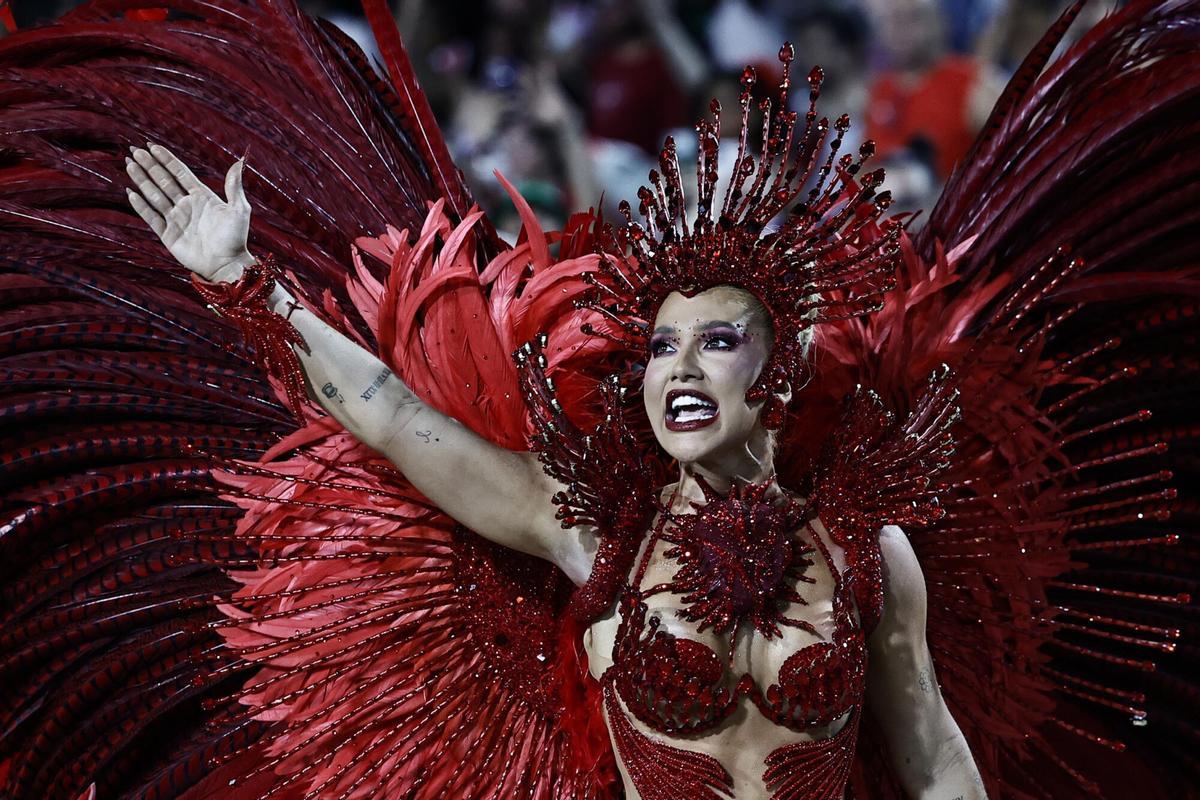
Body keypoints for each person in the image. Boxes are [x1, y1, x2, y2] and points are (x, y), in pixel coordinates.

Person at [2, 1, 1197, 798]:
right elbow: (389, 416)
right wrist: (242, 279)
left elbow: (932, 756)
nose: (677, 366)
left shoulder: (872, 552)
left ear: (773, 375)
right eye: (661, 345)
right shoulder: (596, 537)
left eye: (714, 341)